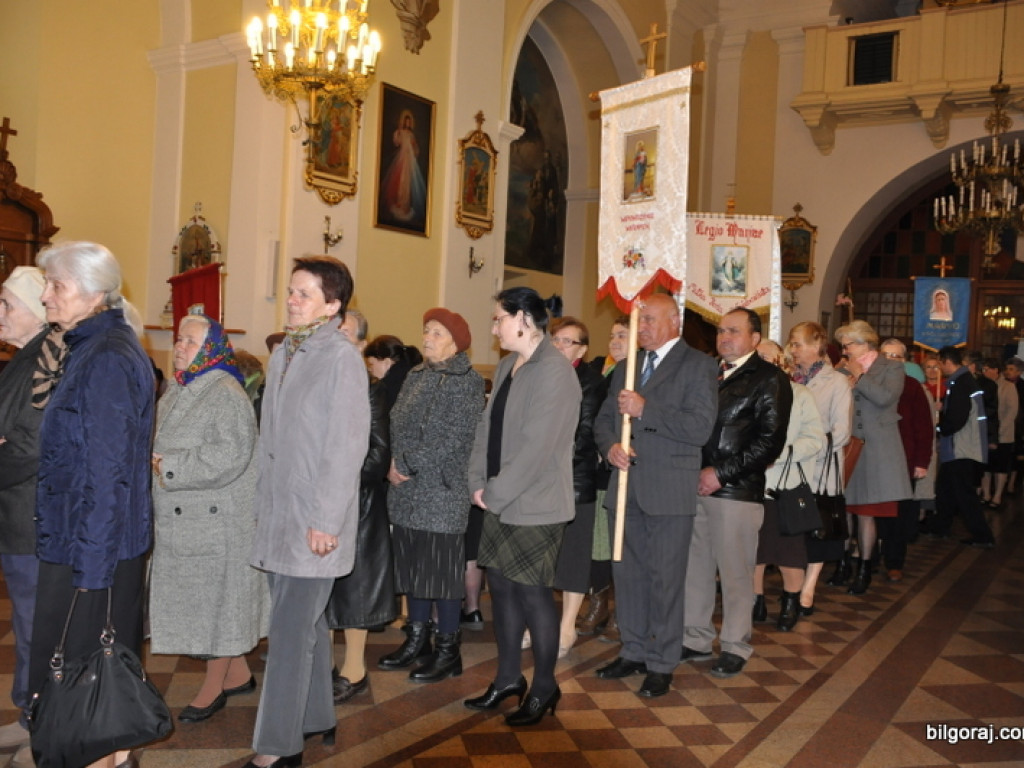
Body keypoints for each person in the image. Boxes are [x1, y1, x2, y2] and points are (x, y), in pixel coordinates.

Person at [28, 242, 156, 768]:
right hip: (83, 543)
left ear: (94, 294)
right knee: (84, 686)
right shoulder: (92, 347)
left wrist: (92, 574)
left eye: (56, 285)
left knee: (86, 686)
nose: (46, 295)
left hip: (92, 552)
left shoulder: (107, 359)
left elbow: (108, 475)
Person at [246, 256, 370, 768]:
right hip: (280, 512)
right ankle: (316, 715)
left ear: (332, 305)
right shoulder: (283, 353)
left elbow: (346, 446)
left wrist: (326, 520)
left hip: (315, 519)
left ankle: (278, 747)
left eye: (304, 294)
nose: (292, 300)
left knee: (289, 633)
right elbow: (271, 440)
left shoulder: (341, 359)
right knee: (306, 624)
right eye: (291, 291)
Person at [465, 287, 580, 726]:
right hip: (499, 497)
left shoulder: (555, 372)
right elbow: (485, 429)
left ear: (524, 319)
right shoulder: (508, 365)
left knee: (533, 595)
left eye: (499, 318)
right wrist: (478, 482)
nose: (494, 327)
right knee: (502, 588)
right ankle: (508, 677)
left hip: (536, 503)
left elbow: (536, 448)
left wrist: (493, 493)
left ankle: (545, 685)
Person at [594, 293, 717, 696]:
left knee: (665, 580)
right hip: (625, 487)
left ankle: (662, 661)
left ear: (674, 322)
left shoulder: (698, 365)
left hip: (668, 490)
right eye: (638, 320)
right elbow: (603, 421)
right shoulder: (626, 367)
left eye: (648, 320)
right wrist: (611, 447)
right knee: (626, 576)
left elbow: (699, 428)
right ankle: (632, 650)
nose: (641, 327)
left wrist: (646, 410)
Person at [149, 315, 267, 723]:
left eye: (190, 341)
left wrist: (167, 466)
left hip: (218, 524)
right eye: (179, 339)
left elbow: (229, 456)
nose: (179, 346)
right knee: (209, 605)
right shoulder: (181, 386)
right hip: (189, 520)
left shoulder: (225, 391)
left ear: (211, 349)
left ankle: (213, 687)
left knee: (216, 608)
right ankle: (238, 674)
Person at [682, 307, 791, 678]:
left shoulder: (769, 378)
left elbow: (769, 442)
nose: (724, 337)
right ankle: (695, 638)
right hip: (693, 485)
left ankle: (734, 645)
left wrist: (721, 473)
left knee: (735, 573)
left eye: (734, 331)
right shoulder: (707, 372)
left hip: (736, 491)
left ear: (755, 338)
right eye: (721, 331)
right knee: (695, 569)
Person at [377, 308, 483, 683]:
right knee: (413, 570)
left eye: (437, 333)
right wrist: (389, 463)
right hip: (406, 490)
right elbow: (393, 422)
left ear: (456, 343)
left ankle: (448, 651)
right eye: (426, 331)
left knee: (441, 574)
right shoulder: (415, 375)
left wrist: (404, 463)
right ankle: (417, 639)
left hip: (442, 491)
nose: (427, 338)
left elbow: (454, 439)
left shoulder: (467, 382)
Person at [326, 309, 396, 704]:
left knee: (356, 590)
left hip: (358, 502)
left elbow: (378, 454)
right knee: (322, 589)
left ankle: (354, 670)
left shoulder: (371, 390)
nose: (339, 338)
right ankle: (323, 666)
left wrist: (337, 481)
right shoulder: (322, 380)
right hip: (320, 501)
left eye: (347, 333)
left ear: (361, 344)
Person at [0, 267, 49, 755]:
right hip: (15, 512)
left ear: (35, 312)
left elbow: (30, 446)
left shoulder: (43, 360)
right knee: (25, 623)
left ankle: (42, 724)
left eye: (7, 305)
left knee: (37, 626)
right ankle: (27, 710)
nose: (0, 313)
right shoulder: (23, 356)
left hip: (31, 515)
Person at [834, 320, 911, 595]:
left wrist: (860, 377)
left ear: (865, 343)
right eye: (843, 346)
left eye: (848, 345)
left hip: (878, 449)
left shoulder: (892, 367)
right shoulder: (841, 368)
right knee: (845, 510)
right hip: (849, 446)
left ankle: (865, 569)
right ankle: (843, 564)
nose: (845, 351)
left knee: (867, 512)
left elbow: (885, 398)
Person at [752, 340, 824, 632]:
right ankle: (755, 600)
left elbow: (815, 439)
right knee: (753, 550)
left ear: (780, 361)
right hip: (752, 485)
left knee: (789, 551)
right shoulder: (747, 392)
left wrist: (777, 454)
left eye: (765, 356)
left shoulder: (800, 394)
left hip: (787, 485)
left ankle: (791, 601)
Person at [548, 317, 607, 658]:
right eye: (555, 340)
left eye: (567, 341)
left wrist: (545, 459)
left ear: (582, 350)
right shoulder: (539, 374)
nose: (559, 346)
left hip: (575, 479)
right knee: (542, 556)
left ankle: (567, 625)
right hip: (539, 480)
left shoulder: (591, 382)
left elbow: (584, 435)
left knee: (572, 555)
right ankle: (539, 622)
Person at [787, 322, 852, 611]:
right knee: (793, 529)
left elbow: (842, 432)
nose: (793, 350)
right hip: (790, 467)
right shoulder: (789, 379)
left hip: (821, 466)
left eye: (798, 344)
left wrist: (810, 448)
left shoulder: (836, 381)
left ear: (816, 345)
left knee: (818, 527)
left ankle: (809, 587)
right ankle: (794, 581)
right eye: (791, 344)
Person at [577, 315, 629, 640]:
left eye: (622, 335)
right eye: (612, 335)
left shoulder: (641, 376)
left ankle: (624, 609)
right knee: (598, 542)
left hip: (625, 468)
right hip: (598, 469)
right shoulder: (600, 371)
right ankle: (599, 602)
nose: (614, 341)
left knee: (621, 544)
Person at [877, 339, 933, 583]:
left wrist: (921, 462)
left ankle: (894, 562)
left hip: (903, 461)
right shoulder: (868, 383)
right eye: (886, 355)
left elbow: (924, 427)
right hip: (874, 461)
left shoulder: (912, 387)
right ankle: (869, 558)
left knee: (899, 516)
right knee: (873, 514)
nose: (891, 360)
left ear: (904, 361)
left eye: (896, 356)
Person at [929, 346, 994, 548]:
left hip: (961, 447)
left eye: (939, 363)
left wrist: (940, 427)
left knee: (964, 494)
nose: (939, 368)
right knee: (946, 489)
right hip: (960, 447)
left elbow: (957, 418)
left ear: (947, 362)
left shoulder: (961, 383)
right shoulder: (964, 381)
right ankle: (941, 526)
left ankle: (983, 535)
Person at [980, 358, 1018, 508]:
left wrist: (999, 430)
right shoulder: (983, 385)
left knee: (1000, 466)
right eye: (983, 370)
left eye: (987, 369)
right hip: (987, 432)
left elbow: (1012, 411)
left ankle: (997, 496)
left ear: (995, 370)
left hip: (1003, 434)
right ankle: (986, 494)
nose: (984, 372)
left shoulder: (1008, 386)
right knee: (986, 466)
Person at [381, 110, 427, 224]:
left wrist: (414, 149)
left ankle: (405, 205)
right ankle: (399, 203)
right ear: (403, 122)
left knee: (408, 183)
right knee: (400, 181)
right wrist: (398, 133)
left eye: (409, 122)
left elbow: (415, 148)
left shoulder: (411, 135)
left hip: (409, 160)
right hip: (402, 158)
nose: (407, 123)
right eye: (406, 121)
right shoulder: (400, 132)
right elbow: (397, 143)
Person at [363, 334, 423, 412]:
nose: (369, 369)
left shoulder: (388, 390)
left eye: (371, 364)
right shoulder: (414, 376)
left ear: (387, 363)